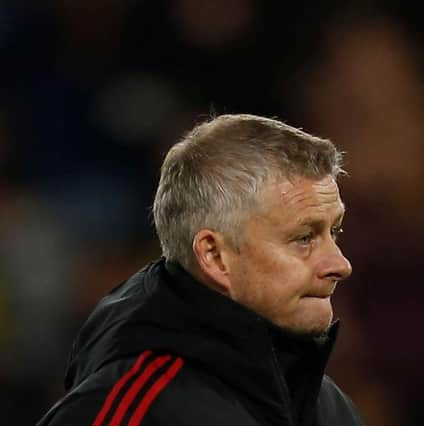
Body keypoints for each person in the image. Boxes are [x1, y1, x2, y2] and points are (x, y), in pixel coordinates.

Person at [37, 114, 362, 426]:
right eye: (304, 238)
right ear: (215, 256)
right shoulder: (138, 409)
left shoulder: (328, 406)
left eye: (334, 232)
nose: (339, 265)